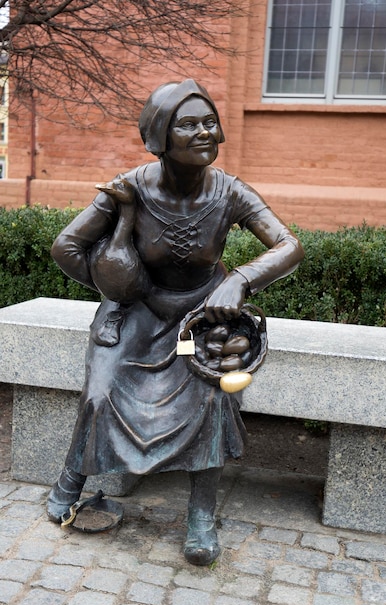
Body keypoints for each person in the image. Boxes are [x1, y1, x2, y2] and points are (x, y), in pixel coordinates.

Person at [46, 79, 304, 566]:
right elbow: (66, 247)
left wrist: (240, 281)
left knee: (210, 398)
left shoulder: (230, 191)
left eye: (209, 122)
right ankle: (71, 480)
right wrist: (119, 289)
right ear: (160, 135)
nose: (203, 132)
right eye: (188, 125)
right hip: (137, 313)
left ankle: (202, 515)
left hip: (201, 317)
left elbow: (288, 245)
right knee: (100, 393)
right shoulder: (130, 188)